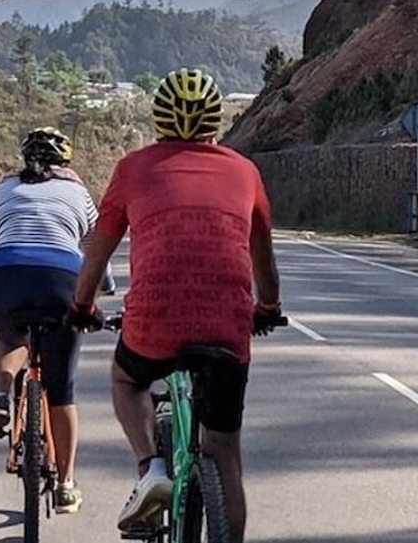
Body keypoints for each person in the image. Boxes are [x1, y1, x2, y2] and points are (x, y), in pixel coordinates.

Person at [68, 68, 282, 543]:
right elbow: (263, 260)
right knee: (225, 453)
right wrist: (267, 307)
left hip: (153, 323)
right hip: (227, 328)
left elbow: (97, 253)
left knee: (126, 378)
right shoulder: (245, 171)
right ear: (215, 122)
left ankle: (151, 468)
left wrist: (82, 308)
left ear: (157, 119)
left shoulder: (132, 169)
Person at [0, 126, 98, 513]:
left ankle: (1, 395)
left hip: (5, 276)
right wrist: (105, 288)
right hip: (62, 281)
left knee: (9, 335)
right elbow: (96, 247)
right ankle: (66, 483)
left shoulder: (2, 190)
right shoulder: (78, 194)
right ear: (66, 163)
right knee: (62, 389)